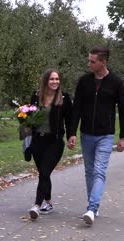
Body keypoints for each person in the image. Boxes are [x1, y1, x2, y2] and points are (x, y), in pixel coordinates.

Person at [68, 46, 124, 225]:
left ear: (103, 62)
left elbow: (123, 111)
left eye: (93, 61)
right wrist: (72, 132)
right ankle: (92, 205)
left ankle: (92, 208)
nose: (89, 64)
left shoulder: (116, 83)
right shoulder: (84, 81)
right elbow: (76, 108)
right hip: (86, 134)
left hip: (105, 136)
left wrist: (122, 136)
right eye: (89, 60)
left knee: (99, 171)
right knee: (89, 172)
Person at [27, 69, 73, 220]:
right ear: (46, 81)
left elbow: (70, 120)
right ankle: (49, 202)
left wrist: (72, 135)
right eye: (52, 79)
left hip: (54, 142)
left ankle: (36, 205)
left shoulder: (64, 99)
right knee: (43, 173)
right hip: (37, 141)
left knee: (45, 172)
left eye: (57, 79)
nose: (55, 82)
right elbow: (29, 117)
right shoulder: (36, 97)